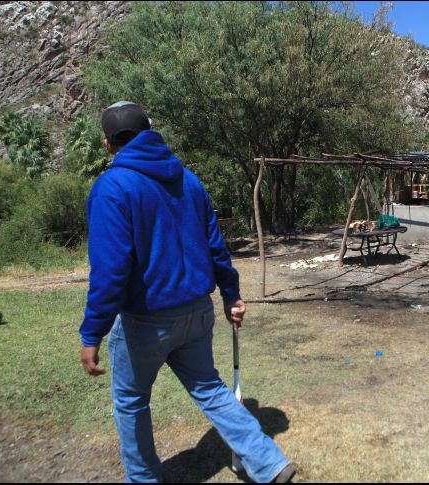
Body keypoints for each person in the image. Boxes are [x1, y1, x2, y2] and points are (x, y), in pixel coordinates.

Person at [78, 101, 296, 483]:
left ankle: (144, 479)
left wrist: (91, 333)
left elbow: (110, 271)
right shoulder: (188, 180)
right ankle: (269, 463)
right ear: (151, 131)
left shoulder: (112, 187)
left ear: (109, 144)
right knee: (210, 388)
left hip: (146, 321)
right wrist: (231, 295)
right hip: (197, 312)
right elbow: (216, 246)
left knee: (131, 403)